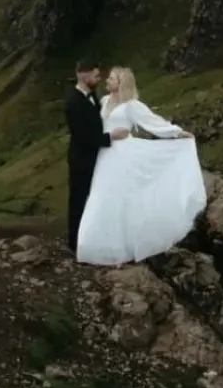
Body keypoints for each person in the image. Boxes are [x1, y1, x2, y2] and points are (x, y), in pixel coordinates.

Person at [74, 65, 206, 267]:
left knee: (120, 198)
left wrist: (177, 132)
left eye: (112, 78)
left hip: (123, 156)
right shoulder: (104, 101)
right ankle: (93, 247)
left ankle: (120, 250)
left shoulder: (131, 106)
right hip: (105, 155)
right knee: (101, 196)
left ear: (122, 83)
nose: (107, 80)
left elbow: (152, 122)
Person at [66, 58, 126, 250]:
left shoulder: (93, 96)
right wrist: (110, 137)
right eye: (95, 75)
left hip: (95, 158)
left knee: (93, 200)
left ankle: (90, 238)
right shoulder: (73, 102)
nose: (99, 78)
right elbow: (83, 137)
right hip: (81, 159)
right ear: (84, 75)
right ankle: (75, 243)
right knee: (79, 199)